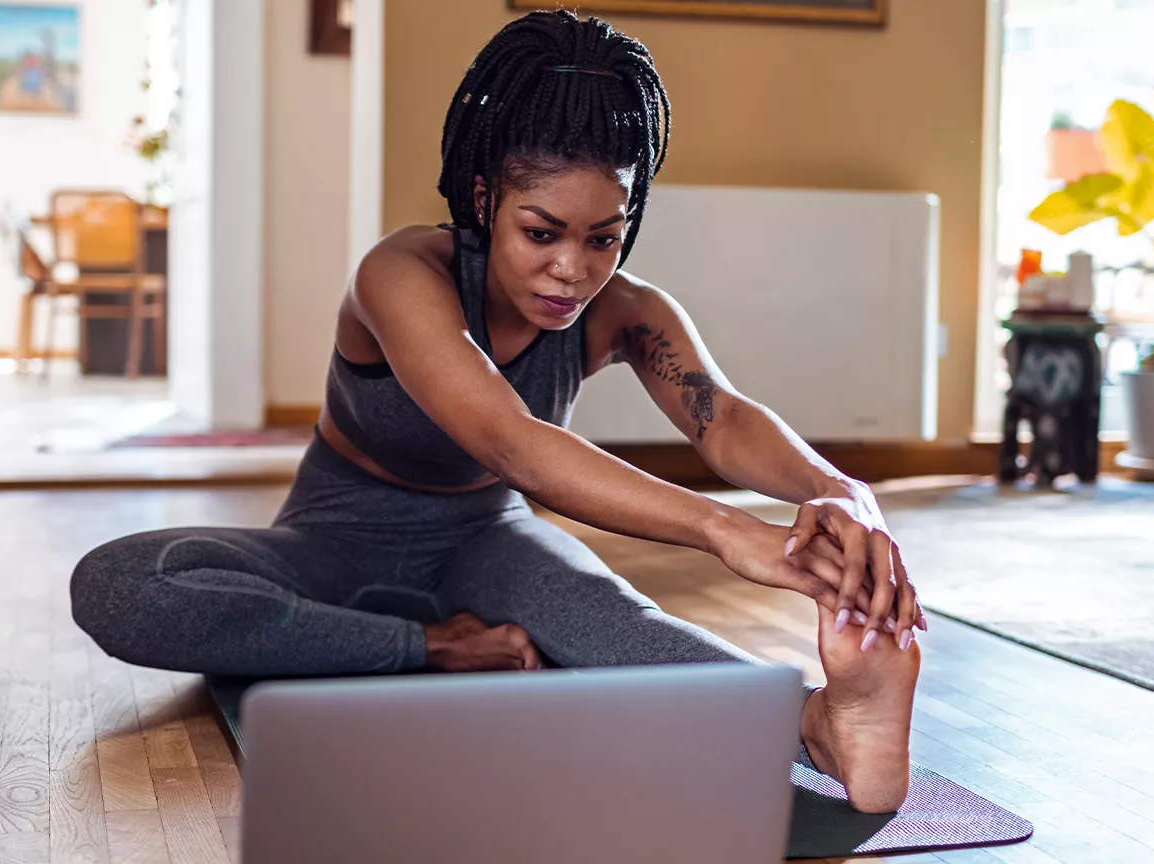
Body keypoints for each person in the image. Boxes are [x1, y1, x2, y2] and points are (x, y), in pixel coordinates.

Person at [71, 11, 923, 811]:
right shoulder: (402, 275)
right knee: (121, 585)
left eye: (603, 237)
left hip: (485, 546)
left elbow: (723, 418)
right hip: (331, 542)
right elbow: (512, 439)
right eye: (542, 232)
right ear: (484, 202)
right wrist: (725, 529)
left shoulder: (627, 312)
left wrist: (839, 487)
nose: (572, 271)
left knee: (611, 618)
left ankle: (820, 725)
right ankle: (427, 645)